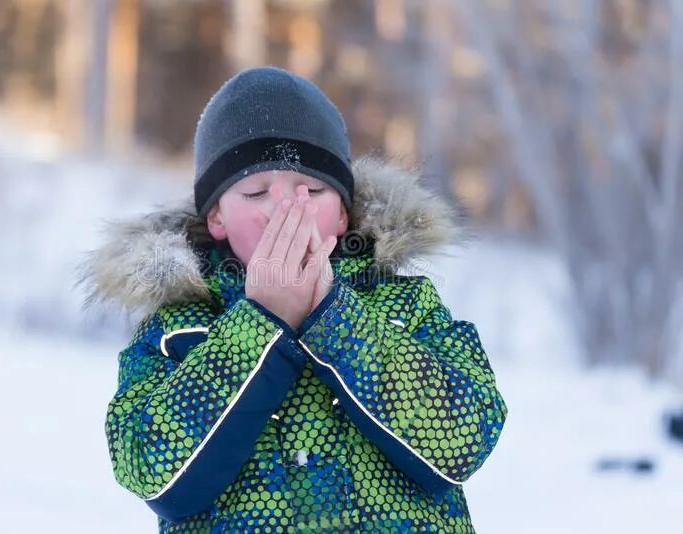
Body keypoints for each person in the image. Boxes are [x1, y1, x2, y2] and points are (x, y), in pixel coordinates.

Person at [79, 66, 507, 533]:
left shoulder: (408, 308)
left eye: (313, 191)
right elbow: (149, 469)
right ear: (217, 217)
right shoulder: (177, 330)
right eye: (256, 192)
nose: (285, 211)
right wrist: (260, 323)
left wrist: (332, 316)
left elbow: (463, 438)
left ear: (344, 215)